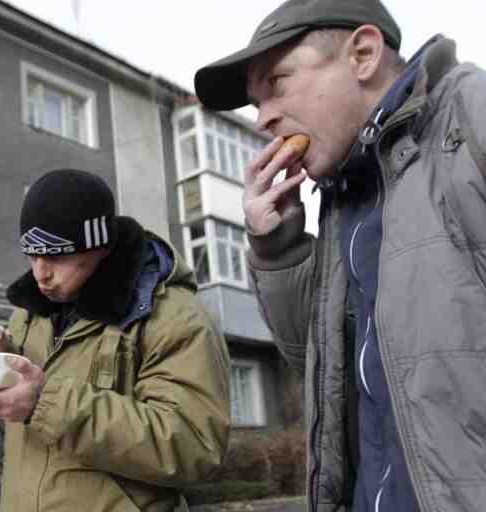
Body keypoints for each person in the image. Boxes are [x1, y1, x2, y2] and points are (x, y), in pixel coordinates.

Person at [194, 0, 486, 510]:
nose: (262, 119)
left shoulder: (470, 116)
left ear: (364, 55)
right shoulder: (340, 198)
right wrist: (278, 246)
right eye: (254, 102)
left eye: (277, 83)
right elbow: (319, 371)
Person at [0, 169, 231, 511]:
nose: (40, 273)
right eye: (31, 254)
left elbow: (194, 445)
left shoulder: (174, 317)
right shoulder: (31, 314)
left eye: (56, 255)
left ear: (100, 247)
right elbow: (10, 391)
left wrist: (45, 404)